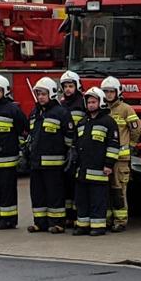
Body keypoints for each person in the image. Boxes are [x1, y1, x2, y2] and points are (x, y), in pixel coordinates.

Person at [72, 87, 124, 237]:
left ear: (100, 102)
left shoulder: (108, 122)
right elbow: (76, 144)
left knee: (98, 200)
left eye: (94, 102)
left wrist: (108, 165)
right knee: (82, 200)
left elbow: (113, 146)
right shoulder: (82, 122)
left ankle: (98, 226)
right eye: (89, 102)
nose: (91, 105)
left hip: (99, 171)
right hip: (82, 171)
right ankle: (83, 225)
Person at [27, 78, 73, 233]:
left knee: (55, 195)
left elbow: (69, 138)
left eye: (43, 94)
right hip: (36, 163)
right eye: (38, 93)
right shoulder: (34, 113)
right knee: (37, 194)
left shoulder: (61, 113)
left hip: (54, 165)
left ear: (52, 93)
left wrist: (68, 156)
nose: (40, 97)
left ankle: (58, 223)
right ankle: (40, 222)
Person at [0, 75, 26, 230]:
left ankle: (8, 220)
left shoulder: (13, 109)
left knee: (7, 191)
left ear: (5, 91)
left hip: (8, 159)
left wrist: (20, 150)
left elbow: (23, 131)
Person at [101, 76, 141, 232]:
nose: (108, 95)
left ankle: (120, 221)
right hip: (105, 158)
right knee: (105, 190)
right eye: (105, 92)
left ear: (118, 92)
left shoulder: (125, 109)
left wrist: (131, 145)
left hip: (120, 159)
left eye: (111, 91)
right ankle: (107, 219)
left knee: (118, 190)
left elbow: (136, 129)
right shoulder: (102, 109)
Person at [57, 71, 87, 221]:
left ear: (77, 86)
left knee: (78, 185)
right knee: (66, 185)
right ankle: (69, 216)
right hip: (66, 149)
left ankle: (78, 216)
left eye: (71, 86)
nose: (68, 89)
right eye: (65, 86)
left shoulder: (83, 103)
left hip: (80, 149)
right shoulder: (61, 104)